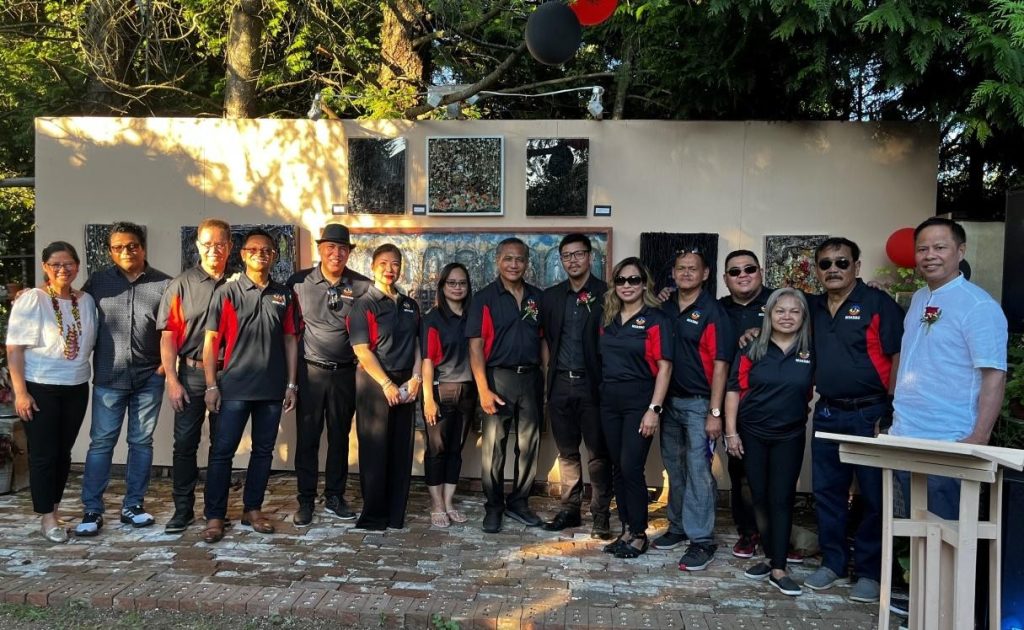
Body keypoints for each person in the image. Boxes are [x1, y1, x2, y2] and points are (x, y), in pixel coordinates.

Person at [804, 237, 904, 604]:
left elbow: (898, 357)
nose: (833, 269)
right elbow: (774, 310)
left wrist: (891, 411)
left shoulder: (878, 303)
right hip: (828, 411)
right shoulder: (813, 306)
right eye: (825, 263)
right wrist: (753, 329)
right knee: (827, 493)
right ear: (817, 270)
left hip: (870, 413)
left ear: (857, 267)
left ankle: (869, 572)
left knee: (874, 497)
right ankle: (833, 562)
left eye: (842, 262)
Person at [891, 217, 1007, 517]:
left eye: (940, 247)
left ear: (961, 251)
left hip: (949, 440)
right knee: (914, 528)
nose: (930, 255)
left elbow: (994, 374)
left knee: (946, 531)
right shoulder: (919, 298)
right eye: (922, 249)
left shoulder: (979, 305)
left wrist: (979, 437)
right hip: (905, 435)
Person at [200, 229, 299, 543]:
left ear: (273, 256)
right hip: (234, 388)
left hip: (271, 388)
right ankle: (215, 515)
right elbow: (211, 340)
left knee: (263, 452)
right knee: (222, 453)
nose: (260, 254)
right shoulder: (227, 293)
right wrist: (211, 385)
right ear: (242, 254)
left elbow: (290, 340)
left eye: (266, 250)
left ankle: (252, 509)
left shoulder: (284, 294)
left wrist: (291, 384)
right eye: (253, 250)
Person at [76, 222, 172, 536]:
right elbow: (73, 306)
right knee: (101, 443)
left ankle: (134, 505)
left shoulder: (164, 284)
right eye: (118, 247)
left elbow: (174, 329)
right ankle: (92, 509)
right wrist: (36, 292)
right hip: (109, 376)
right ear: (110, 252)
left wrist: (164, 367)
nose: (126, 251)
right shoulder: (98, 282)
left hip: (149, 378)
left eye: (132, 245)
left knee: (141, 442)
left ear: (142, 247)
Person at [6, 242, 98, 543]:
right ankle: (47, 518)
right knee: (44, 454)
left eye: (68, 263)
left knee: (63, 453)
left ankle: (55, 509)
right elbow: (14, 348)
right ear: (45, 267)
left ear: (77, 266)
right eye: (55, 264)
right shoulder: (32, 299)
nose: (63, 269)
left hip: (76, 386)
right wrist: (21, 392)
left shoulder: (86, 301)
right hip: (40, 386)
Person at [724, 288, 814, 597]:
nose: (787, 316)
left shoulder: (810, 351)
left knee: (782, 498)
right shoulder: (752, 348)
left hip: (789, 436)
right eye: (780, 310)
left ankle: (779, 567)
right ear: (769, 315)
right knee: (758, 498)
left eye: (794, 311)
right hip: (752, 434)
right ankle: (770, 557)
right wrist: (731, 432)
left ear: (803, 316)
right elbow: (734, 389)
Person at [287, 224, 370, 526]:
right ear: (320, 249)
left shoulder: (361, 286)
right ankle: (306, 499)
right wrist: (290, 381)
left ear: (349, 252)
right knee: (308, 439)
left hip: (345, 374)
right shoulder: (299, 282)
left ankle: (335, 495)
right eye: (331, 247)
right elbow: (288, 330)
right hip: (310, 372)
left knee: (339, 437)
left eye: (343, 248)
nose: (337, 253)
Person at [657, 250, 733, 572]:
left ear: (705, 274)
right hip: (669, 403)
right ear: (673, 273)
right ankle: (677, 526)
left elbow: (721, 366)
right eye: (681, 268)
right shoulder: (665, 306)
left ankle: (702, 539)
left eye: (693, 268)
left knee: (699, 470)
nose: (686, 273)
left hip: (700, 404)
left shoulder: (713, 312)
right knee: (674, 468)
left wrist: (715, 412)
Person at [157, 218, 232, 533]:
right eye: (207, 244)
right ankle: (183, 509)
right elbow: (168, 336)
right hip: (191, 374)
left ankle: (216, 511)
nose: (214, 250)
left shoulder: (238, 284)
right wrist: (171, 380)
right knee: (185, 444)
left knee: (222, 446)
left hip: (229, 374)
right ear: (198, 246)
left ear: (229, 246)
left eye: (220, 244)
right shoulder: (181, 284)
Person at [467, 237, 545, 534]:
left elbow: (544, 340)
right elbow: (475, 347)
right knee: (494, 448)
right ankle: (494, 506)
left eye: (520, 259)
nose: (514, 264)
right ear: (497, 260)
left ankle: (519, 502)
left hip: (531, 378)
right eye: (508, 259)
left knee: (529, 445)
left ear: (527, 263)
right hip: (497, 379)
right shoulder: (484, 298)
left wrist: (547, 380)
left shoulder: (537, 297)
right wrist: (483, 389)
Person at [539, 233, 613, 539]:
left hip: (592, 385)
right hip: (560, 385)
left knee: (598, 454)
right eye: (567, 256)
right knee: (567, 452)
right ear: (561, 260)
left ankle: (600, 515)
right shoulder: (551, 297)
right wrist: (550, 374)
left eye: (579, 254)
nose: (573, 260)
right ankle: (570, 510)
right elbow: (545, 339)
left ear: (590, 257)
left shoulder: (607, 294)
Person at [598, 258, 673, 559]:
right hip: (609, 400)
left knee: (631, 466)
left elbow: (665, 367)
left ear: (644, 284)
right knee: (618, 466)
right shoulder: (608, 319)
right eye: (621, 280)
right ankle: (626, 530)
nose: (627, 285)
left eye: (634, 280)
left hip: (640, 400)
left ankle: (639, 534)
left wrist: (654, 409)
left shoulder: (656, 319)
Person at [348, 243, 422, 530]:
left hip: (406, 383)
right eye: (383, 263)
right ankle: (374, 515)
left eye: (395, 264)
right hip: (374, 383)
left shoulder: (409, 305)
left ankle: (395, 515)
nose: (390, 269)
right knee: (375, 450)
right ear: (373, 267)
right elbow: (362, 350)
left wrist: (415, 378)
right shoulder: (364, 304)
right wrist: (387, 384)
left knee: (401, 450)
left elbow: (417, 343)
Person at [717, 250, 772, 559]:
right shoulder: (718, 307)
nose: (743, 275)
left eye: (749, 269)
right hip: (732, 401)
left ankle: (776, 534)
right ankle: (748, 532)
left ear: (760, 271)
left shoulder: (778, 302)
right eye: (735, 271)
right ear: (725, 279)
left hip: (772, 402)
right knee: (740, 471)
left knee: (777, 473)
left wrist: (765, 330)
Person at [420, 263, 476, 528]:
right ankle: (436, 504)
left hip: (468, 390)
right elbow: (427, 361)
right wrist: (428, 399)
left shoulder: (473, 316)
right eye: (451, 283)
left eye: (462, 283)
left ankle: (449, 501)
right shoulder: (433, 318)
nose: (457, 288)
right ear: (442, 286)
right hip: (441, 390)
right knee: (437, 449)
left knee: (456, 448)